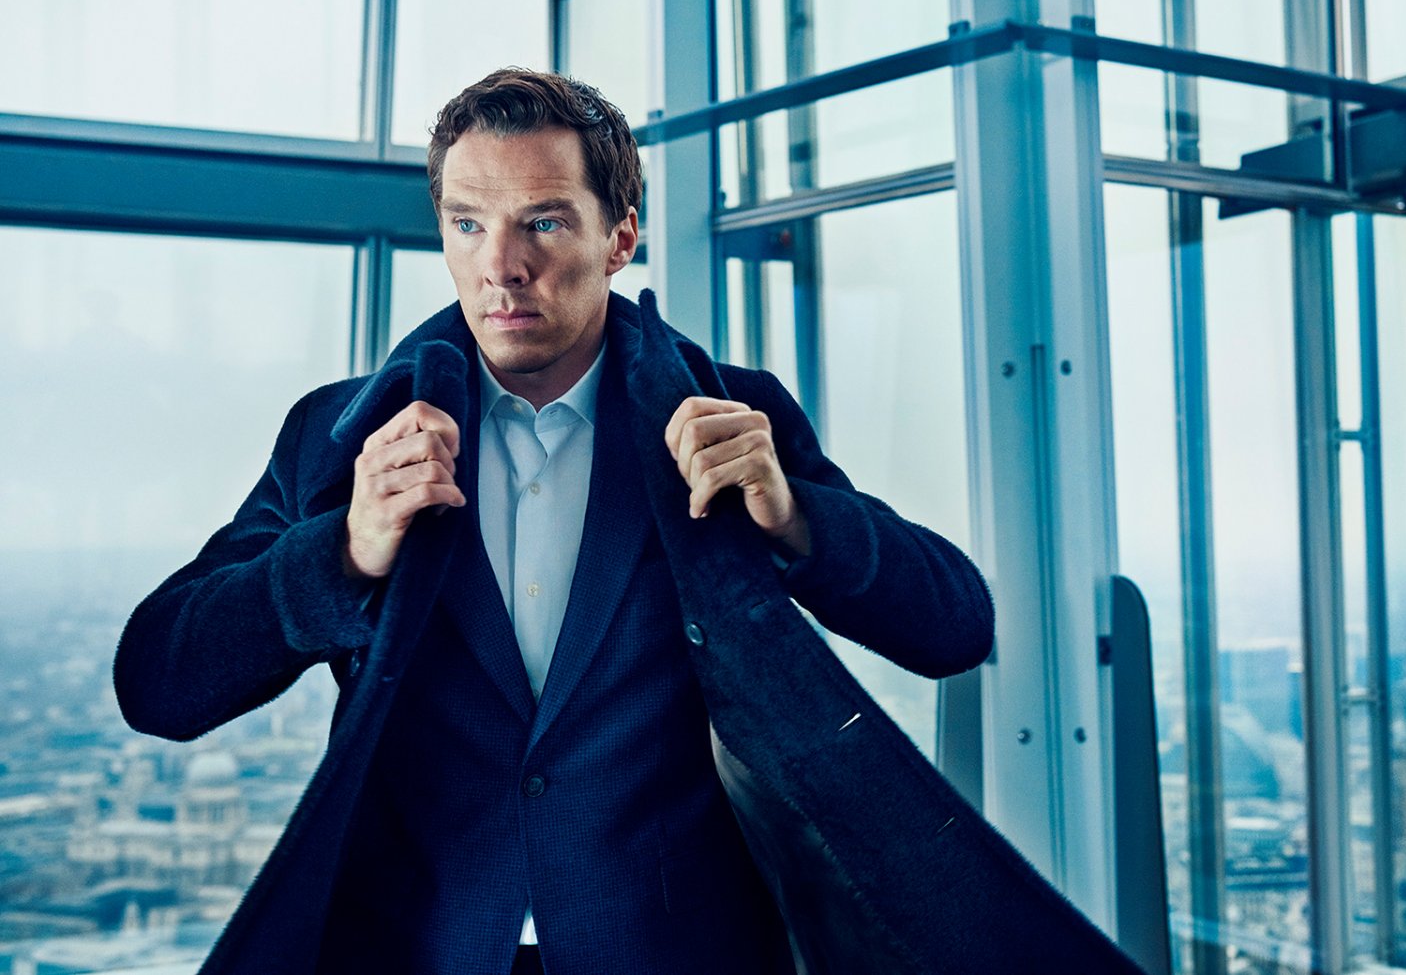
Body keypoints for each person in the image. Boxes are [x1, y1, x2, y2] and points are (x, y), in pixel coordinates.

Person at [110, 69, 1050, 974]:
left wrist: (797, 518)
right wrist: (344, 554)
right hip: (411, 949)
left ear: (620, 237)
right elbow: (158, 682)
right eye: (468, 224)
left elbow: (954, 625)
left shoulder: (733, 413)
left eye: (544, 222)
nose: (501, 266)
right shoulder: (339, 435)